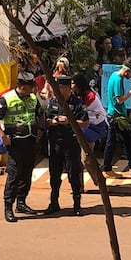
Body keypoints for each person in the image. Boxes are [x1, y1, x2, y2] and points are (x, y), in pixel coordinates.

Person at [0, 72, 44, 223]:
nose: (32, 90)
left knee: (26, 173)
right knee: (14, 175)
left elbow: (40, 114)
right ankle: (8, 207)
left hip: (30, 142)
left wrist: (40, 130)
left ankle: (21, 202)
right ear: (22, 86)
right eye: (29, 87)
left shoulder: (32, 98)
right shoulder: (7, 99)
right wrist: (2, 136)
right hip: (15, 143)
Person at [43, 75, 89, 217]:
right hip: (56, 143)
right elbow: (47, 120)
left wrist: (69, 121)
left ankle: (77, 204)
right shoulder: (53, 102)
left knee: (73, 174)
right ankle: (54, 203)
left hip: (71, 144)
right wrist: (53, 121)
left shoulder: (77, 103)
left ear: (67, 88)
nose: (57, 91)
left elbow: (85, 123)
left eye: (60, 88)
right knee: (54, 174)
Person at [102, 59, 131, 178]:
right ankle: (106, 168)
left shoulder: (115, 76)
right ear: (127, 71)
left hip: (119, 114)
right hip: (115, 116)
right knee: (111, 143)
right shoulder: (118, 79)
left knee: (128, 141)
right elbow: (119, 99)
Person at [72, 72, 108, 146]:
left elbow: (80, 111)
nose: (71, 85)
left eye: (72, 83)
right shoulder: (76, 94)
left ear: (78, 84)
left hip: (96, 126)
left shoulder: (89, 96)